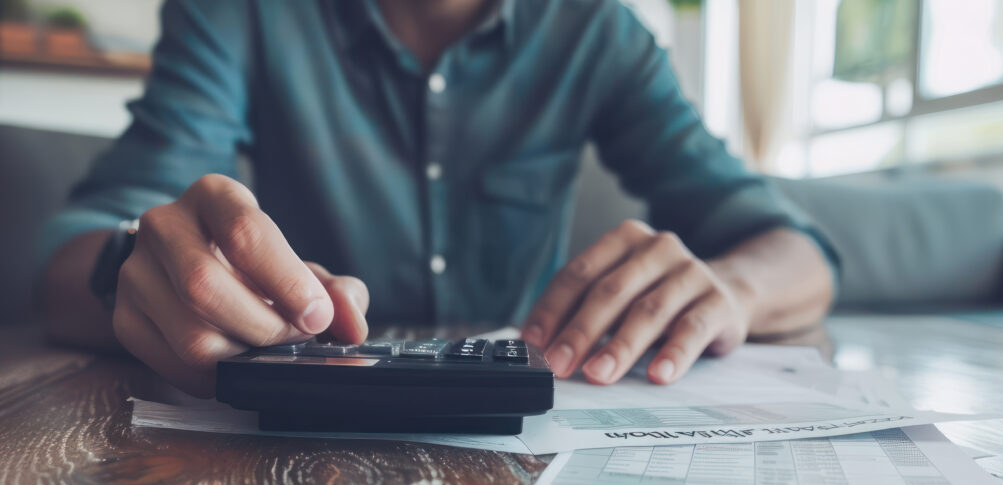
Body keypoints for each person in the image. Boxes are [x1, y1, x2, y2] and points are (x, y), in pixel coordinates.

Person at [37, 0, 837, 397]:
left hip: (542, 445)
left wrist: (732, 289)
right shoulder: (239, 13)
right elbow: (68, 248)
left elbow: (793, 246)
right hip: (284, 463)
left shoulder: (595, 31)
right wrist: (134, 266)